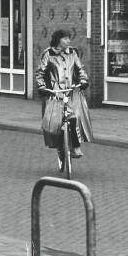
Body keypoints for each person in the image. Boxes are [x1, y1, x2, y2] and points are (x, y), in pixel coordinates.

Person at [35, 29, 91, 167]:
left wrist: (83, 81)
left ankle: (76, 147)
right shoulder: (48, 54)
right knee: (54, 122)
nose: (69, 41)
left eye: (69, 39)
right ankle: (59, 145)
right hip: (55, 93)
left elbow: (80, 69)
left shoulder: (73, 53)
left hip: (71, 92)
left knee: (74, 117)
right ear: (58, 40)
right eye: (66, 39)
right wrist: (42, 87)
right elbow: (40, 73)